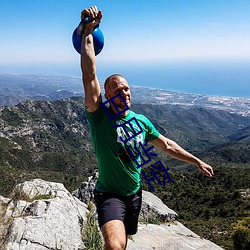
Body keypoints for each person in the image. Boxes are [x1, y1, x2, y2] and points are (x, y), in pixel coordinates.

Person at [79, 6, 214, 250]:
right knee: (114, 246)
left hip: (134, 193)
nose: (125, 92)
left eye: (127, 88)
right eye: (117, 90)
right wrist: (87, 31)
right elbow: (89, 74)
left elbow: (168, 145)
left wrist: (197, 161)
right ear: (106, 95)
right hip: (109, 194)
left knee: (125, 242)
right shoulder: (98, 115)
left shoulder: (142, 121)